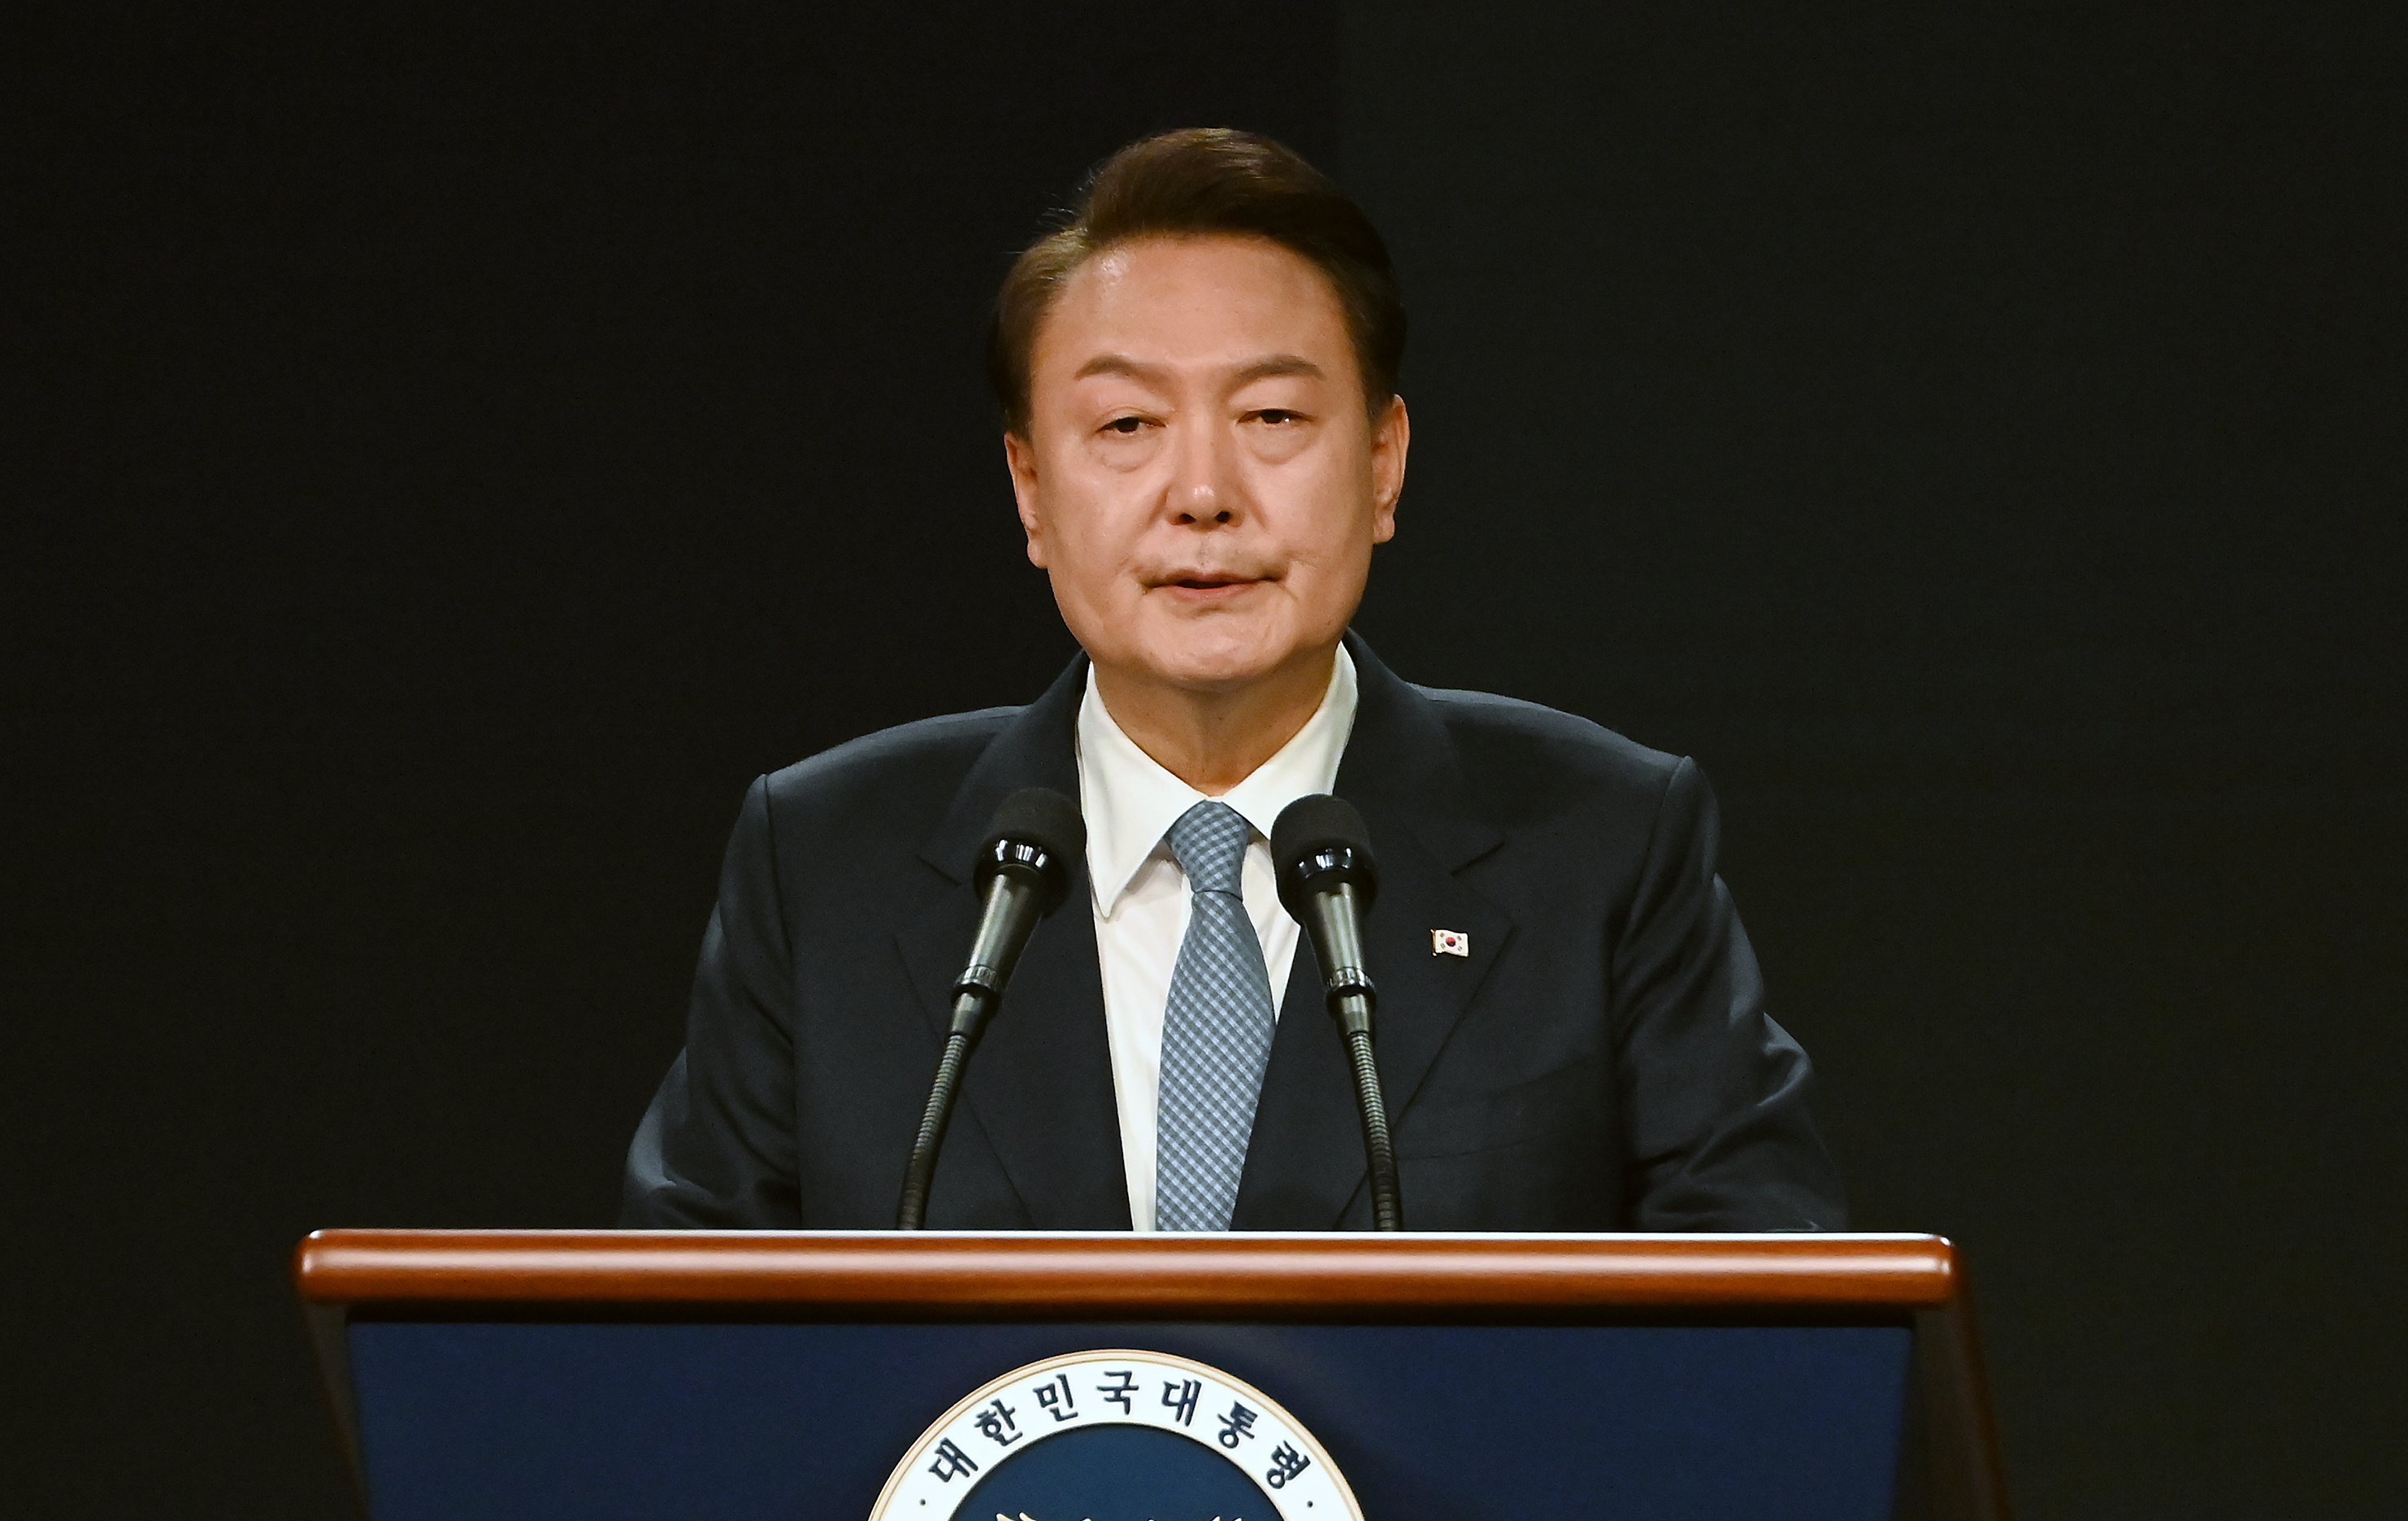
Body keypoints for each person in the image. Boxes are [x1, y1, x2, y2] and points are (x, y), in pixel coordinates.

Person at [623, 128, 1842, 1232]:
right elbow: (672, 1353)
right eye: (1126, 428)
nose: (1202, 493)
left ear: (1382, 464)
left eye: (1270, 416)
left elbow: (1766, 1328)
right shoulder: (829, 860)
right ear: (1031, 492)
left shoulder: (1600, 842)